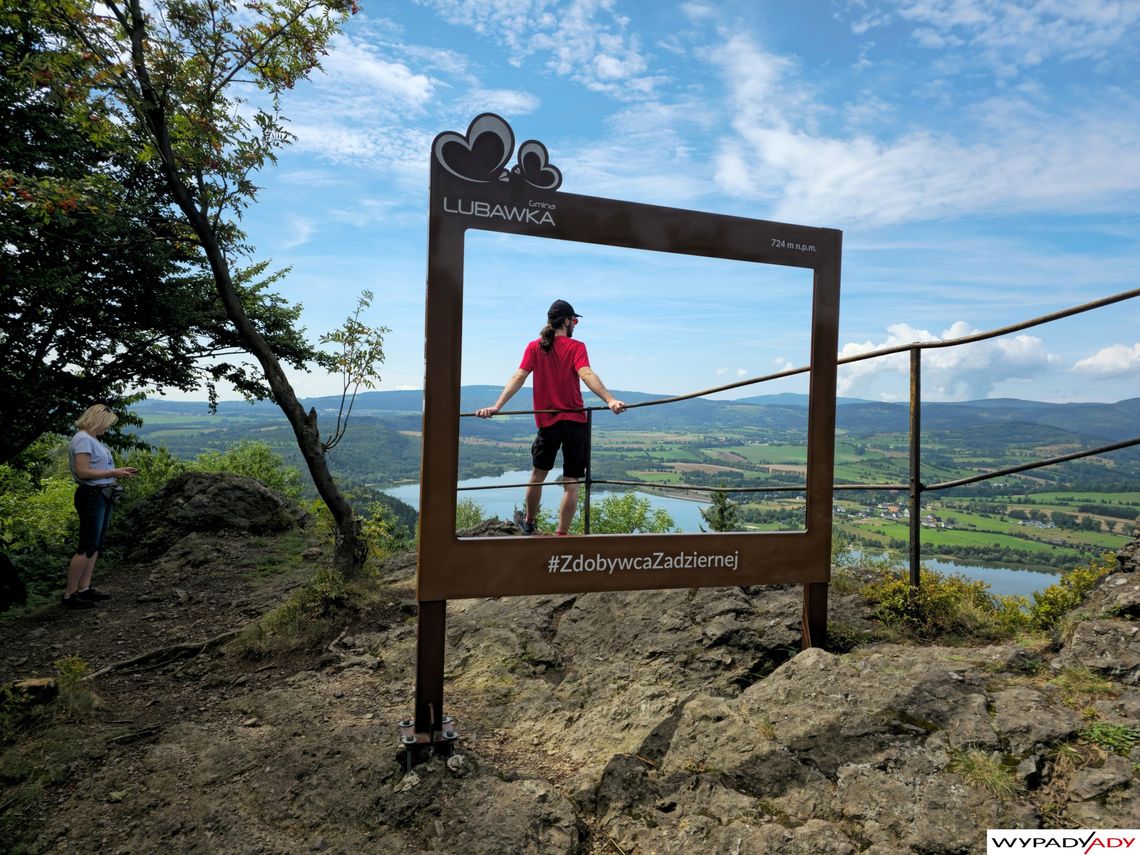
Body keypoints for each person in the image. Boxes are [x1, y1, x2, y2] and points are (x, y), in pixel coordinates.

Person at [476, 299, 626, 535]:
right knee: (571, 482)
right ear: (567, 321)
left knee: (537, 476)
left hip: (548, 423)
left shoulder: (535, 347)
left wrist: (497, 406)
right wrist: (609, 399)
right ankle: (562, 534)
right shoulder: (576, 347)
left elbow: (518, 377)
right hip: (576, 423)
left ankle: (529, 522)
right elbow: (586, 374)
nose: (575, 324)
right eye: (574, 321)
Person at [63, 405, 137, 610]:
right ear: (98, 421)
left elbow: (96, 468)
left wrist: (117, 472)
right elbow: (84, 472)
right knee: (86, 545)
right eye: (108, 424)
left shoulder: (90, 439)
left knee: (94, 544)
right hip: (92, 495)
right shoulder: (83, 440)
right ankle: (70, 594)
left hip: (101, 494)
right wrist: (114, 473)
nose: (108, 428)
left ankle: (84, 588)